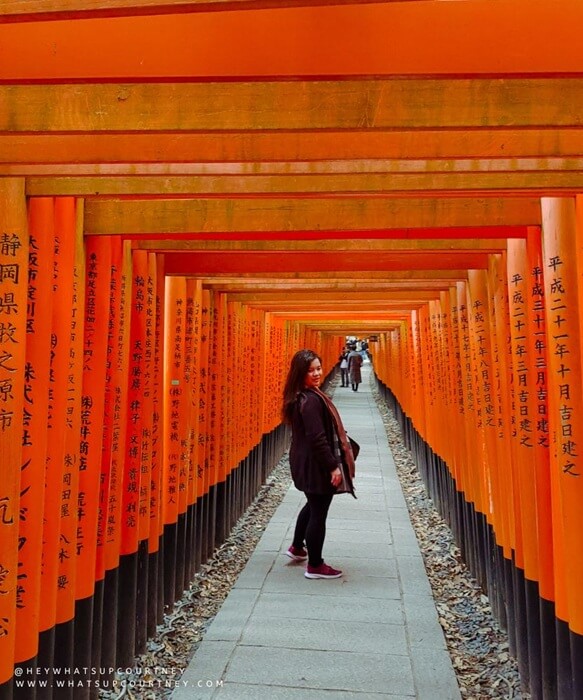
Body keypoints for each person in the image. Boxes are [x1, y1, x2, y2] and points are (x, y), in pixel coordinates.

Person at [282, 349, 356, 579]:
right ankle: (315, 565)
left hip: (303, 461)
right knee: (318, 512)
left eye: (318, 368)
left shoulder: (300, 396)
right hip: (314, 464)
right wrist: (333, 466)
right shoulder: (311, 401)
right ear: (299, 373)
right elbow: (318, 438)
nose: (316, 373)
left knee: (312, 503)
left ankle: (296, 547)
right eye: (310, 370)